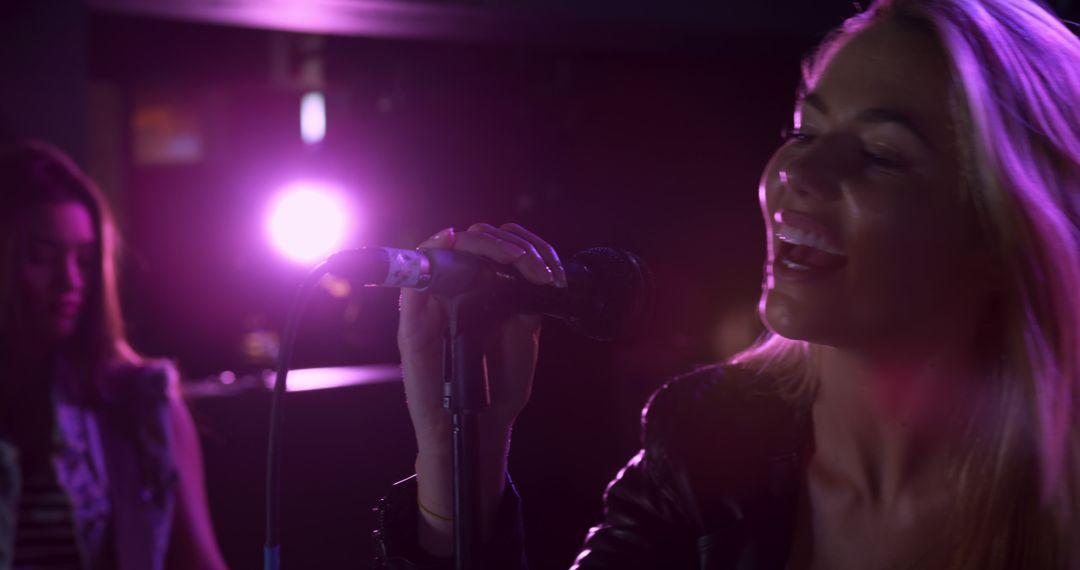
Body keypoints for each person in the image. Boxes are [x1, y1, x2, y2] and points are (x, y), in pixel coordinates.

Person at [374, 0, 1080, 567]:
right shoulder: (704, 448)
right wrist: (458, 459)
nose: (794, 176)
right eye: (804, 130)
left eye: (879, 154)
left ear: (1003, 232)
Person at [0, 141, 228, 570]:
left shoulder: (140, 402)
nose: (69, 281)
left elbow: (198, 562)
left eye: (85, 261)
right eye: (41, 257)